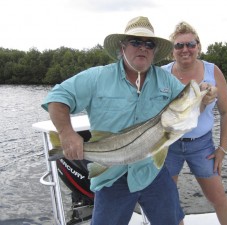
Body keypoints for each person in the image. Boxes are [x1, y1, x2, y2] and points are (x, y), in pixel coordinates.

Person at [41, 16, 217, 225]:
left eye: (149, 44)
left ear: (153, 51)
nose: (142, 47)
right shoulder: (97, 77)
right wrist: (66, 134)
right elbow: (57, 98)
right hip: (111, 177)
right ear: (123, 46)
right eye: (135, 42)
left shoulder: (166, 81)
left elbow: (188, 107)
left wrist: (204, 96)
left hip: (152, 173)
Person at [162, 21, 227, 225]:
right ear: (172, 51)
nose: (185, 49)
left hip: (202, 145)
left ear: (198, 47)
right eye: (179, 45)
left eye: (190, 44)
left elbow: (226, 111)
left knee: (218, 198)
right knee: (168, 201)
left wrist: (222, 149)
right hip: (169, 144)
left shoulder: (213, 72)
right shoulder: (162, 74)